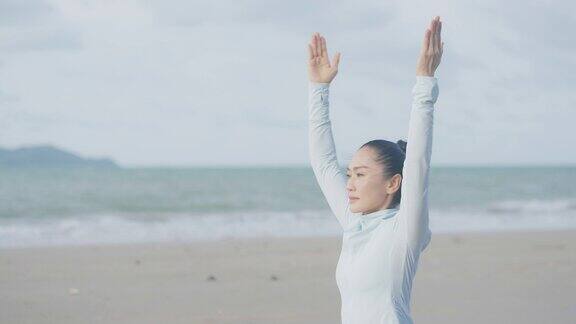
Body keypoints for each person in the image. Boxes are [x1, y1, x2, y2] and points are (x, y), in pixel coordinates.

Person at [307, 16, 444, 323]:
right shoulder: (354, 224)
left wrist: (424, 82)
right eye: (349, 174)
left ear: (393, 183)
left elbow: (419, 163)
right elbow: (323, 163)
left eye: (360, 174)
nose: (350, 184)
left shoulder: (405, 230)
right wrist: (319, 89)